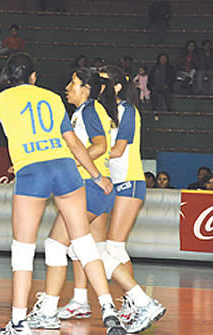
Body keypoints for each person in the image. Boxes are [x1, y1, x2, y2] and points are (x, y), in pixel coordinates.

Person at [0, 53, 126, 335]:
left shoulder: (1, 99)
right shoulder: (51, 97)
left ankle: (18, 322)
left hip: (32, 171)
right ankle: (109, 309)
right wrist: (97, 176)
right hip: (65, 169)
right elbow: (72, 142)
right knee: (84, 243)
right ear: (34, 76)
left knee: (23, 251)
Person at [54, 66, 164, 329]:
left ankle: (135, 302)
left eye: (104, 82)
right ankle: (81, 300)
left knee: (112, 247)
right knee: (87, 245)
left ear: (116, 87)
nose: (98, 86)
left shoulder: (127, 110)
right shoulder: (100, 112)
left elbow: (115, 150)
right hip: (107, 184)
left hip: (129, 182)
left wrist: (79, 157)